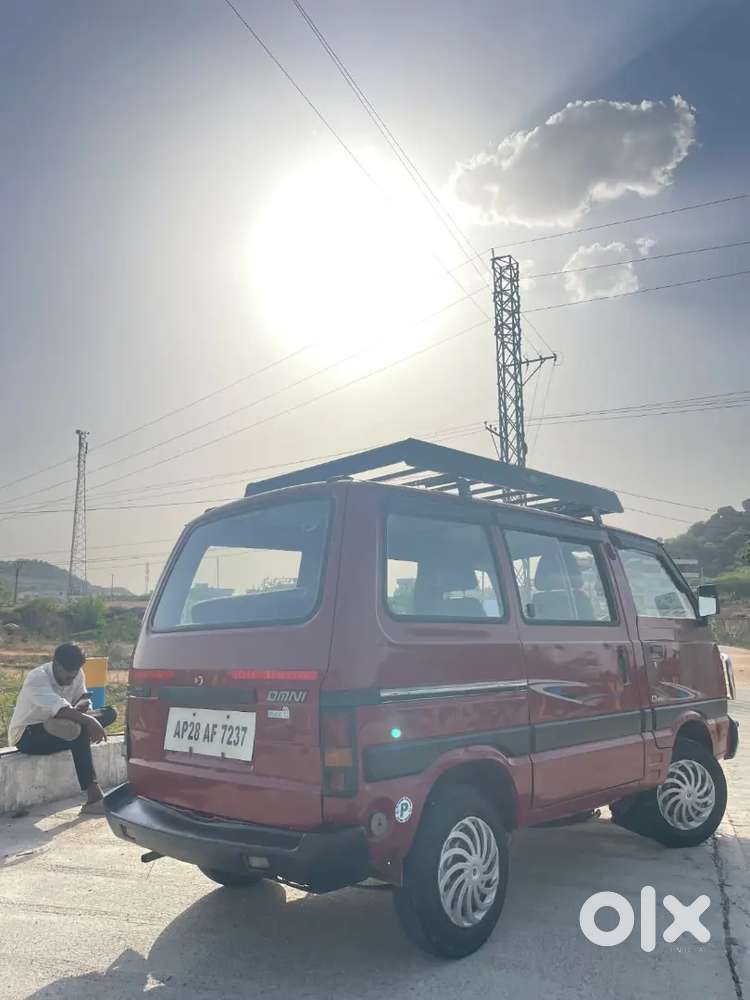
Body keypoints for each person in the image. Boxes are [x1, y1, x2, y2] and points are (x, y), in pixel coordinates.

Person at [7, 643, 118, 815]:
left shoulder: (76, 674)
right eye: (68, 674)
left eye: (75, 673)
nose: (72, 678)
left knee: (110, 712)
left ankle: (78, 729)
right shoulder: (37, 678)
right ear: (57, 665)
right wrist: (88, 722)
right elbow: (60, 708)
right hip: (29, 736)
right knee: (76, 727)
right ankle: (94, 796)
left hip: (63, 726)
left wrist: (85, 709)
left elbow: (79, 702)